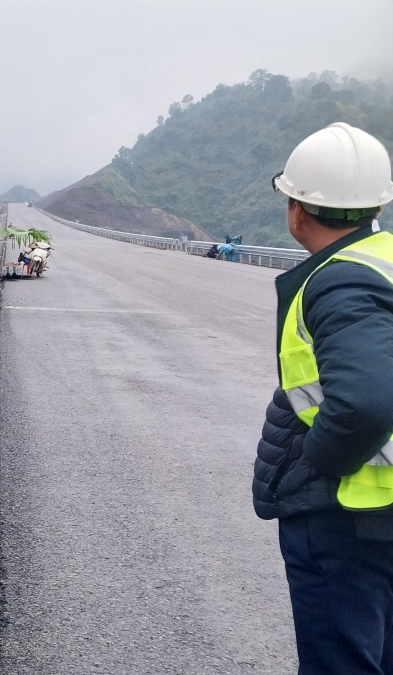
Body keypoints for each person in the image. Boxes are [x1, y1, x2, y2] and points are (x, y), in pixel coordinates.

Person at [253, 122, 393, 674]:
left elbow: (365, 402)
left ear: (296, 209)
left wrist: (320, 464)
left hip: (350, 517)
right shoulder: (386, 260)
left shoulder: (341, 282)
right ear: (377, 205)